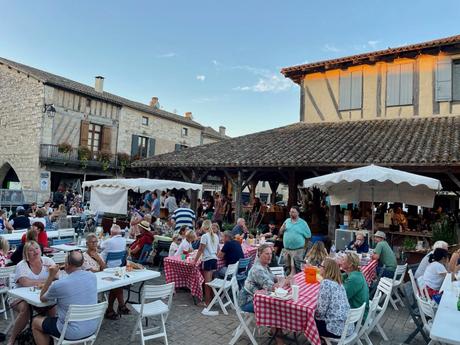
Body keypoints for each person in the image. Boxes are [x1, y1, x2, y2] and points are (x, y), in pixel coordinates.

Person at [32, 251, 98, 345]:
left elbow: (42, 297)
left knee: (35, 322)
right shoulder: (92, 276)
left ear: (66, 264)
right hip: (91, 328)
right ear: (82, 263)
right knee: (53, 317)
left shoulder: (60, 284)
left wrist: (50, 276)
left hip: (70, 332)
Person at [238, 244, 286, 345]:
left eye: (271, 254)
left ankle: (275, 330)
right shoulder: (258, 269)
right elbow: (272, 287)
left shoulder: (264, 266)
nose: (270, 256)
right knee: (274, 309)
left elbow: (273, 278)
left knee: (276, 305)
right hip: (247, 301)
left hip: (258, 298)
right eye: (266, 254)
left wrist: (281, 279)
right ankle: (278, 339)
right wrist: (284, 282)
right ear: (259, 254)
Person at [8, 241, 55, 345]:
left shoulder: (47, 260)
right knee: (25, 309)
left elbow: (57, 276)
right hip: (19, 297)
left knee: (53, 305)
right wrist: (47, 281)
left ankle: (50, 336)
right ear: (26, 253)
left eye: (37, 248)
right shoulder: (22, 264)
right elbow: (24, 282)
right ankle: (12, 339)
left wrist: (50, 277)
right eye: (31, 250)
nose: (35, 251)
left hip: (38, 296)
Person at [315, 258, 352, 339]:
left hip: (335, 330)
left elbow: (320, 312)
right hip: (348, 327)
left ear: (326, 269)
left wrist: (312, 314)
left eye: (320, 266)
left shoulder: (325, 283)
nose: (319, 268)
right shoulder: (339, 283)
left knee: (309, 320)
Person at [194, 219, 220, 314]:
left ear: (204, 227)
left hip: (208, 259)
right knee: (211, 281)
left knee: (207, 282)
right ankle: (212, 299)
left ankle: (207, 302)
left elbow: (201, 249)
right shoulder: (216, 236)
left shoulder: (205, 236)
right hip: (214, 259)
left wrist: (195, 261)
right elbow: (217, 250)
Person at [280, 206, 311, 275]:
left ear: (298, 213)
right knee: (287, 268)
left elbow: (308, 236)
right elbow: (280, 232)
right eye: (290, 212)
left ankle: (298, 284)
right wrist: (282, 229)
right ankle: (288, 283)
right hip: (286, 250)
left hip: (298, 250)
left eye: (293, 212)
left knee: (298, 269)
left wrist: (304, 248)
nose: (291, 213)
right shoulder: (287, 221)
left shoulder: (303, 223)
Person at [341, 252, 369, 320]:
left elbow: (342, 297)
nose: (341, 261)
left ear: (350, 264)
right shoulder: (356, 274)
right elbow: (341, 276)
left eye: (343, 260)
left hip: (356, 317)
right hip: (358, 310)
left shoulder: (354, 279)